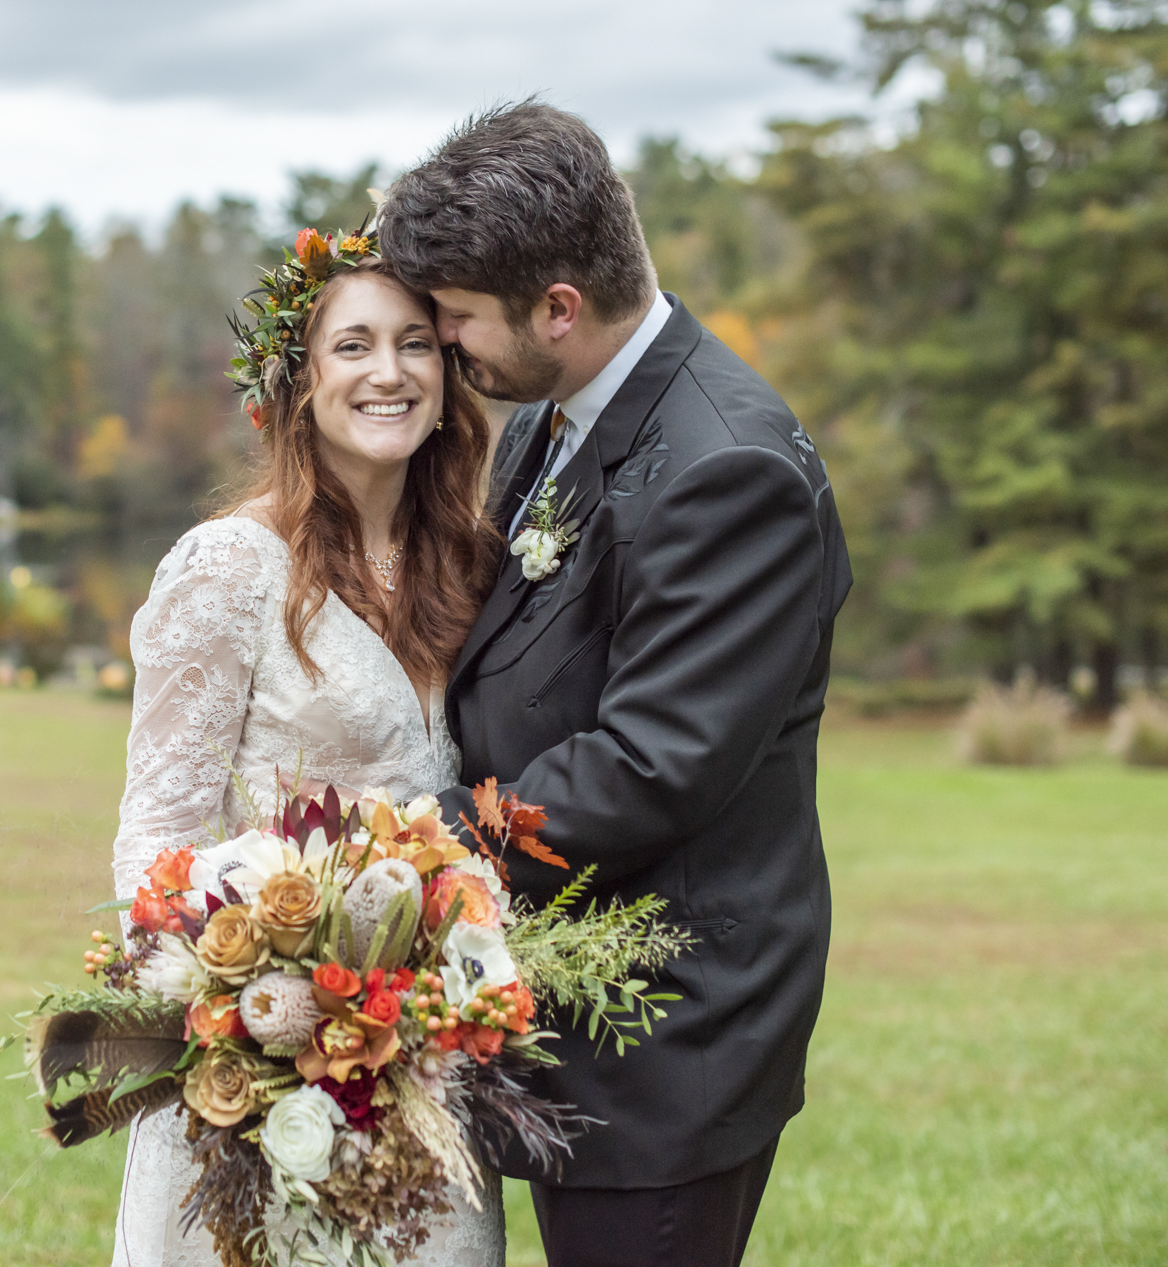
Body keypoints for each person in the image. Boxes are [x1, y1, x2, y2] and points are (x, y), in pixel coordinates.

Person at [382, 99, 854, 1267]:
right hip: (567, 1002)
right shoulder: (564, 412)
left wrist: (407, 843)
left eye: (453, 320)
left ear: (559, 305)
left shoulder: (723, 468)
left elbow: (650, 767)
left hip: (666, 1039)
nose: (444, 347)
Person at [107, 253, 506, 1266]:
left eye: (417, 343)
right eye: (355, 345)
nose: (391, 372)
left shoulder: (464, 560)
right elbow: (154, 833)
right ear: (300, 380)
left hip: (424, 1061)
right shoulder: (230, 566)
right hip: (266, 1058)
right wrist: (239, 1012)